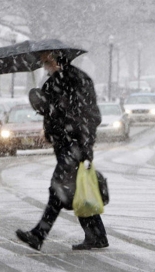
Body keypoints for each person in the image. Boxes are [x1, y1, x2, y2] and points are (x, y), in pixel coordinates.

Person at [16, 50, 108, 250]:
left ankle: (39, 234)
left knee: (57, 190)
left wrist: (82, 145)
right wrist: (41, 104)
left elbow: (90, 116)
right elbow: (50, 110)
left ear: (57, 59)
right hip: (66, 145)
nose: (44, 64)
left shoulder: (76, 80)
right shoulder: (55, 81)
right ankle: (97, 236)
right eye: (42, 61)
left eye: (46, 60)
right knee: (77, 190)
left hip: (74, 146)